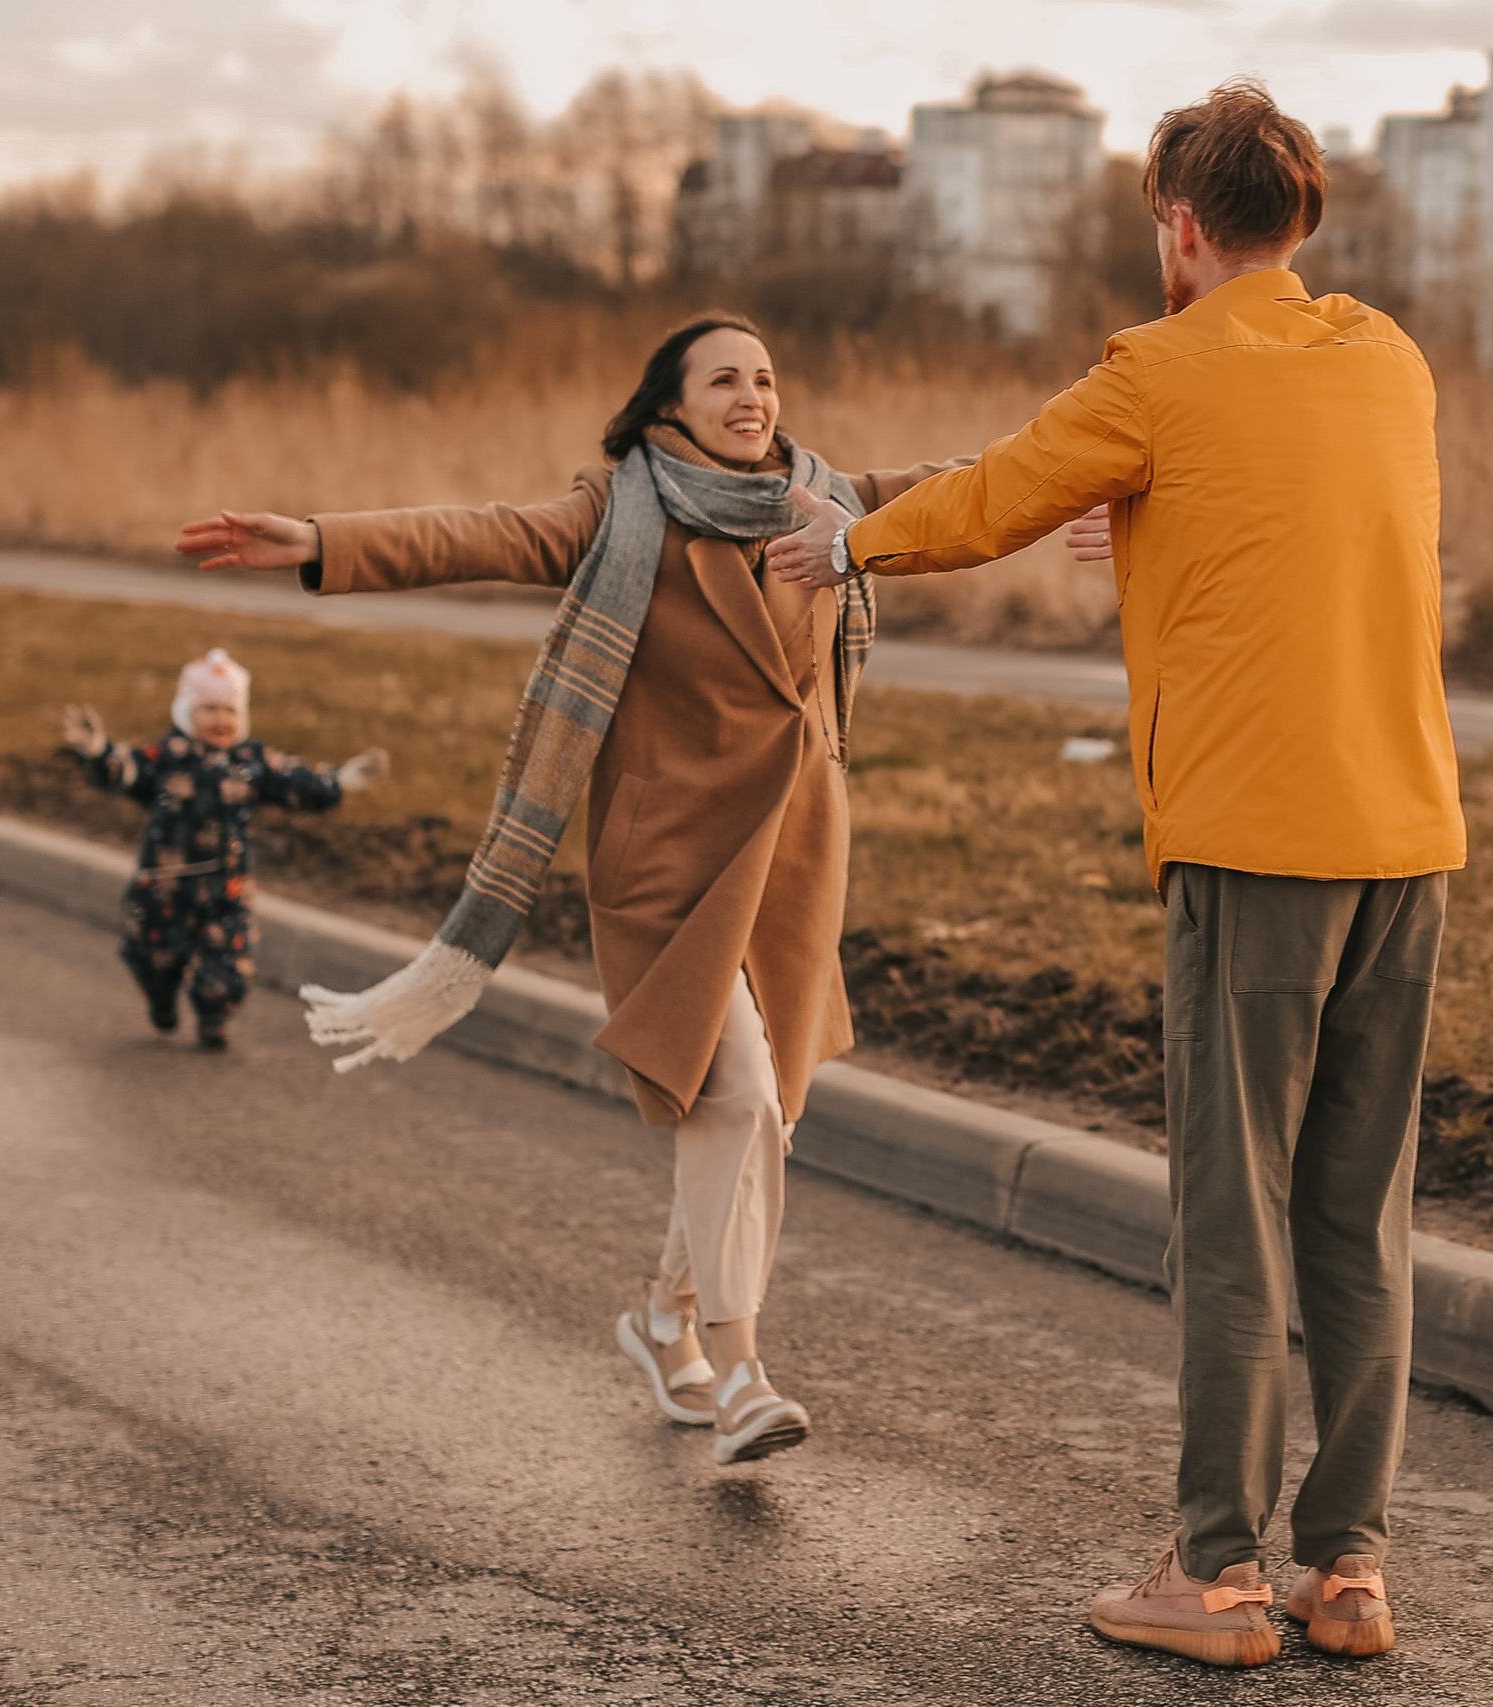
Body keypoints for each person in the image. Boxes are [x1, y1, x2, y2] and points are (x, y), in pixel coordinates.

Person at [769, 80, 1464, 1665]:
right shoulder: (1385, 357)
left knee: (1239, 1211)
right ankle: (1347, 1567)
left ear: (1179, 226)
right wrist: (1149, 526)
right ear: (1304, 219)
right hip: (1410, 836)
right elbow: (1304, 518)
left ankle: (1216, 1570)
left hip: (1255, 843)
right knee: (1362, 1211)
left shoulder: (1157, 365)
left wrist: (841, 541)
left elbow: (995, 495)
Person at [172, 316, 966, 1464]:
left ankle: (662, 1321)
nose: (751, 396)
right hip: (666, 858)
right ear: (669, 406)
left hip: (791, 855)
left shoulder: (827, 500)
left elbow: (964, 491)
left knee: (762, 1120)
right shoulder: (620, 512)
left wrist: (1103, 473)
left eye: (764, 378)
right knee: (731, 1096)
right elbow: (479, 534)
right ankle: (741, 1375)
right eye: (722, 380)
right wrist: (317, 542)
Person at [63, 647, 389, 1050]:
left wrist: (341, 780)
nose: (221, 719)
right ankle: (161, 998)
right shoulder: (167, 756)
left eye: (230, 710)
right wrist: (97, 751)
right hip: (163, 887)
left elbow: (294, 781)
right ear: (186, 713)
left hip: (226, 889)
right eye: (210, 708)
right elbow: (125, 772)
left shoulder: (251, 762)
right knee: (151, 957)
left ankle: (214, 1014)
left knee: (229, 962)